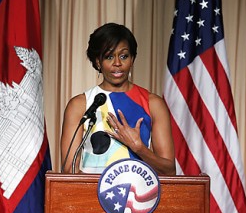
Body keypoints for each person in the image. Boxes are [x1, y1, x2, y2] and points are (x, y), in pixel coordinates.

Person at [60, 22, 175, 175]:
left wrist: (139, 148)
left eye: (124, 56)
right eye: (109, 57)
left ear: (132, 59)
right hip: (90, 197)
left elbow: (169, 171)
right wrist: (106, 187)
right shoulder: (80, 105)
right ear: (98, 62)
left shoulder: (153, 104)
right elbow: (69, 170)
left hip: (139, 195)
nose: (117, 63)